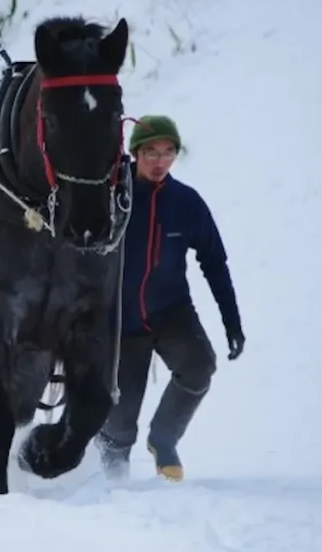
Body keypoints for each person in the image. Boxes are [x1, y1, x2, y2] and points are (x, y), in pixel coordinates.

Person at [95, 115, 245, 482]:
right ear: (135, 153)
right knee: (119, 420)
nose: (160, 162)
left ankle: (164, 438)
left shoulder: (186, 202)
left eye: (168, 153)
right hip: (120, 319)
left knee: (199, 367)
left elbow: (214, 262)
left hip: (170, 311)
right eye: (151, 153)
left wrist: (232, 321)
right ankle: (111, 484)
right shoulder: (110, 196)